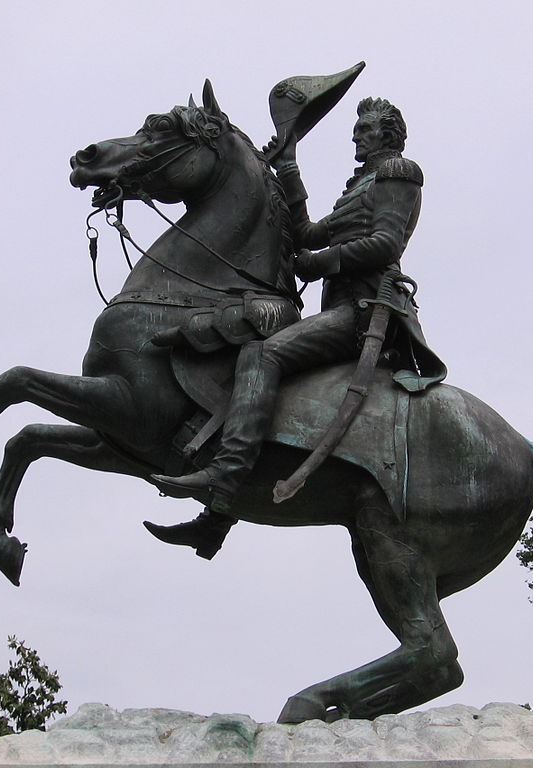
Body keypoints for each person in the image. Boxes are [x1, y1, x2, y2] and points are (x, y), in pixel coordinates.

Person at [148, 97, 443, 558]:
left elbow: (386, 243)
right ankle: (217, 519)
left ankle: (224, 474)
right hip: (341, 310)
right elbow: (305, 236)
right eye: (357, 127)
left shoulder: (399, 174)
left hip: (367, 314)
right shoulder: (358, 187)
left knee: (263, 355)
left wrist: (323, 261)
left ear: (387, 135)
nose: (355, 135)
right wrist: (288, 167)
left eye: (364, 128)